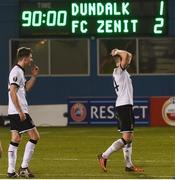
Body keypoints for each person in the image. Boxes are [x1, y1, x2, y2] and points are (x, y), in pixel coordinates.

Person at [97, 49, 144, 173]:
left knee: (130, 137)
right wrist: (117, 51)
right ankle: (104, 156)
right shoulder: (119, 71)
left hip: (125, 105)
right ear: (120, 61)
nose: (128, 61)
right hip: (123, 106)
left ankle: (128, 165)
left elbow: (129, 55)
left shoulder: (122, 72)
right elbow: (127, 55)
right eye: (125, 60)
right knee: (127, 137)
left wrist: (120, 53)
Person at [7, 47, 40, 178]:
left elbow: (26, 88)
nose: (31, 59)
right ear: (25, 57)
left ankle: (11, 170)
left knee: (15, 138)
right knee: (35, 136)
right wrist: (21, 111)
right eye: (30, 57)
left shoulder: (20, 71)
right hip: (18, 111)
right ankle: (24, 167)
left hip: (14, 110)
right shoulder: (16, 71)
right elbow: (12, 92)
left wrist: (34, 76)